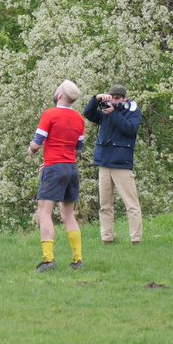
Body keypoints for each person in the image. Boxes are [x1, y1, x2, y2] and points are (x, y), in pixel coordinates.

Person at [28, 80, 87, 272]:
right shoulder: (79, 119)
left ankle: (48, 260)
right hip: (71, 169)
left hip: (54, 168)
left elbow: (37, 144)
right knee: (68, 215)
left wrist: (31, 150)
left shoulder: (50, 114)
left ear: (60, 95)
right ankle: (77, 260)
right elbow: (78, 150)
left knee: (44, 212)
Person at [83, 85, 143, 245]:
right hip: (104, 163)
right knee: (105, 205)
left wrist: (114, 113)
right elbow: (88, 113)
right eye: (112, 97)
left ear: (125, 99)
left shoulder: (133, 111)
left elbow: (130, 129)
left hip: (122, 164)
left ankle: (136, 239)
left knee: (131, 205)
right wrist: (96, 99)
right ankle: (107, 238)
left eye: (117, 98)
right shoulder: (105, 110)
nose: (114, 100)